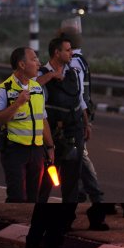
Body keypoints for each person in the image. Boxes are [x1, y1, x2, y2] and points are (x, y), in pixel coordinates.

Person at [58, 26, 112, 230]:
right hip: (74, 122)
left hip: (73, 124)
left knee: (79, 164)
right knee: (76, 166)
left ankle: (90, 208)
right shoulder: (78, 61)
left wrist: (84, 121)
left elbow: (78, 96)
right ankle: (90, 206)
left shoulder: (72, 64)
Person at [0, 47, 55, 203]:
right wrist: (17, 104)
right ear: (22, 64)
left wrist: (50, 147)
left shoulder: (37, 88)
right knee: (17, 197)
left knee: (34, 198)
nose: (38, 63)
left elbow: (42, 119)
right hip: (14, 150)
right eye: (34, 59)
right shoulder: (3, 90)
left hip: (36, 151)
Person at [36, 36, 92, 203]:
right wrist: (52, 76)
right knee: (46, 180)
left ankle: (66, 221)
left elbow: (79, 99)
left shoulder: (73, 72)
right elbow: (32, 87)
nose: (71, 53)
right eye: (67, 50)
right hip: (53, 135)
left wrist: (86, 123)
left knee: (72, 181)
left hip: (74, 133)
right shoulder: (41, 74)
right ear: (56, 52)